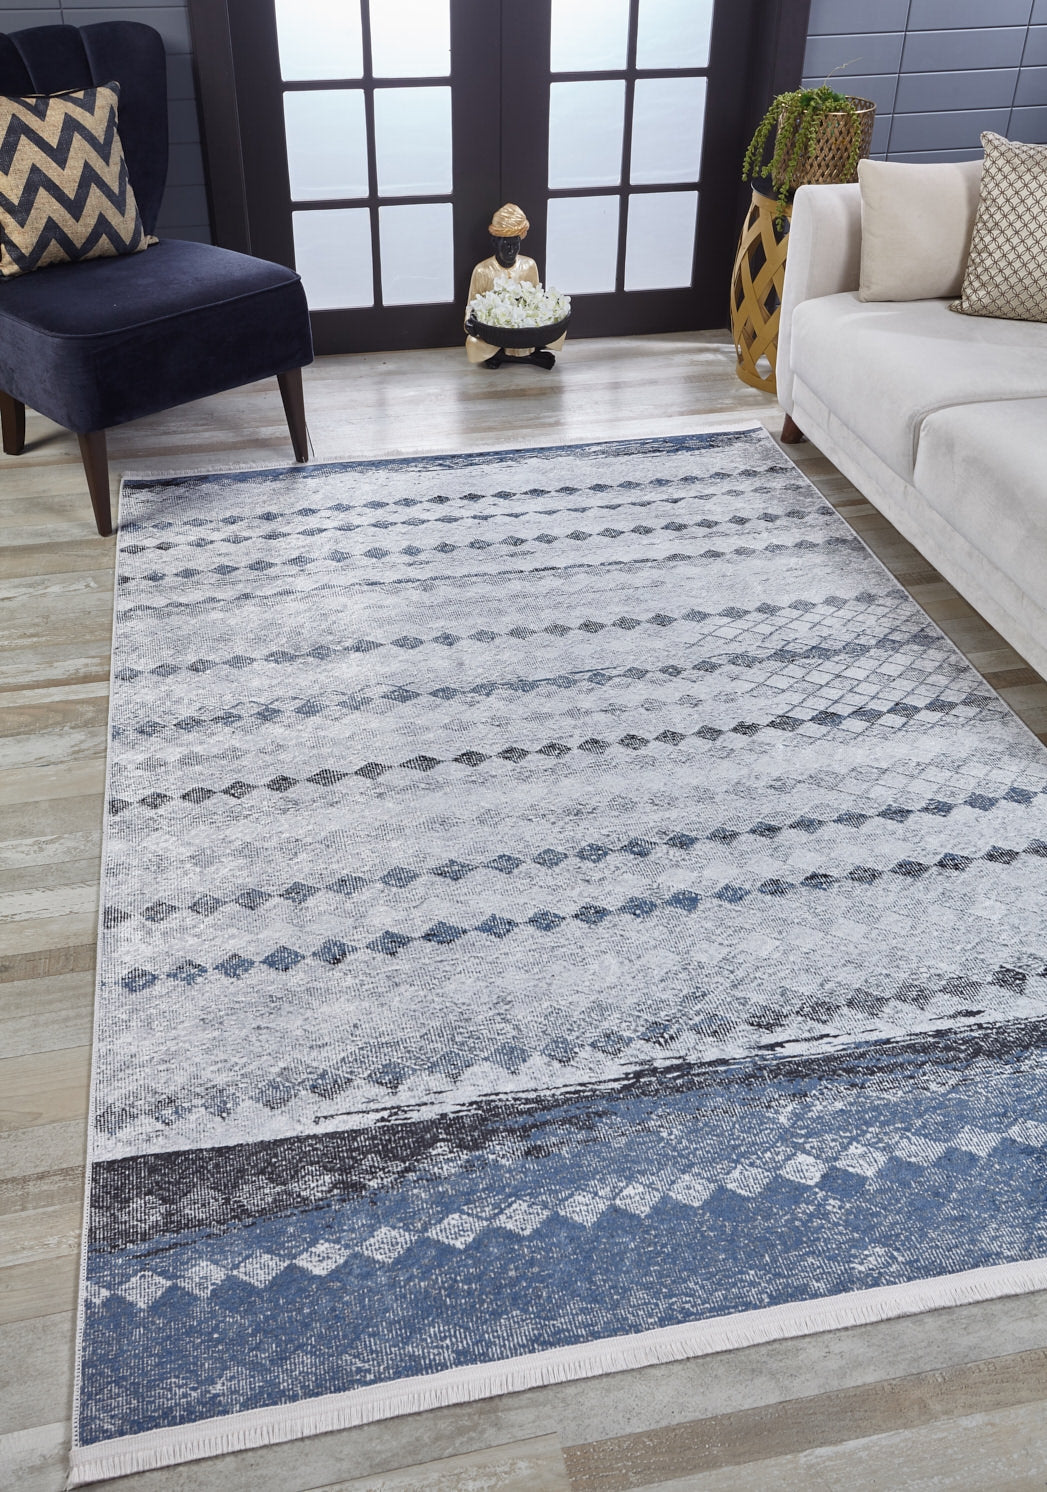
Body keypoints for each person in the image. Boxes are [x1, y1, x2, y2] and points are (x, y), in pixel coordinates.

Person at [464, 203, 567, 367]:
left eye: (515, 244)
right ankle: (528, 358)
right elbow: (471, 306)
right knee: (473, 344)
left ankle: (503, 357)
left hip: (523, 328)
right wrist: (469, 322)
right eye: (506, 245)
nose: (512, 250)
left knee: (559, 331)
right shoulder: (482, 270)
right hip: (496, 332)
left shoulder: (529, 265)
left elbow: (535, 301)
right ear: (494, 242)